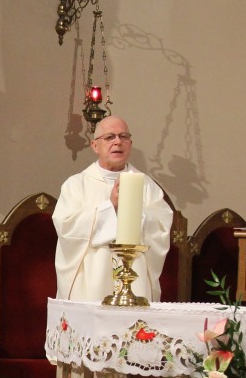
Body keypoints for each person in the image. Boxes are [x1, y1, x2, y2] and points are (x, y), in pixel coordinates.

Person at [53, 116, 174, 302]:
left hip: (136, 281)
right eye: (109, 137)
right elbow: (67, 228)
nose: (118, 142)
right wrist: (110, 207)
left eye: (123, 136)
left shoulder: (147, 186)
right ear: (95, 146)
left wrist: (133, 212)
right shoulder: (76, 185)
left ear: (130, 144)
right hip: (91, 283)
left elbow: (161, 228)